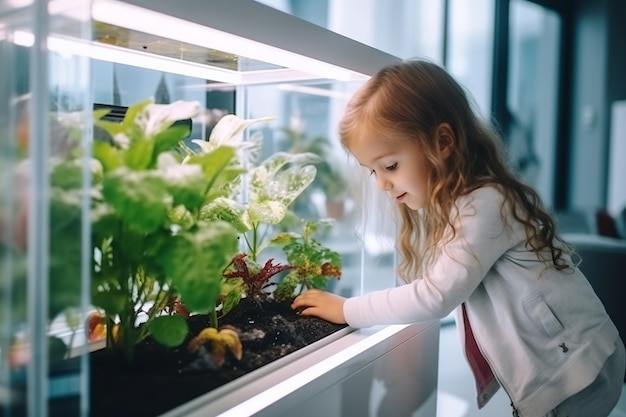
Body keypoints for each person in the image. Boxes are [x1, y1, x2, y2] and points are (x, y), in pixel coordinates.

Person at [290, 59, 625, 417]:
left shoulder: (486, 203)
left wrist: (347, 309)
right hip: (562, 369)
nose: (381, 183)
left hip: (577, 373)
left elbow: (435, 296)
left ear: (443, 142)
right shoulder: (463, 204)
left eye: (389, 166)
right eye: (372, 170)